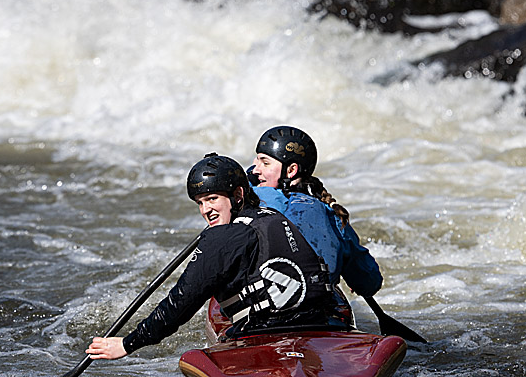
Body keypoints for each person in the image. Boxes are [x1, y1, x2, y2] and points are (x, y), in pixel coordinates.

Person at [86, 153, 347, 361]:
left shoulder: (222, 238)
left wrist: (128, 343)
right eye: (199, 202)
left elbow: (181, 302)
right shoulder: (274, 218)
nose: (205, 210)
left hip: (262, 336)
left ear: (238, 195)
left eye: (212, 199)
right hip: (320, 327)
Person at [248, 125, 383, 299]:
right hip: (319, 308)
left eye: (265, 163)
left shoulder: (254, 197)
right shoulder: (331, 214)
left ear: (291, 170)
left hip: (267, 306)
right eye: (257, 161)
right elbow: (369, 282)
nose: (256, 169)